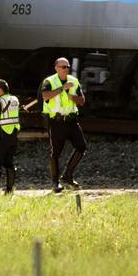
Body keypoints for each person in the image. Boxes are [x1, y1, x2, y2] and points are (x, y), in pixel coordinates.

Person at [42, 57, 86, 193]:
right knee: (55, 152)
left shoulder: (74, 81)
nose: (66, 69)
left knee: (81, 146)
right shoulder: (49, 81)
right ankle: (55, 183)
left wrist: (74, 98)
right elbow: (45, 96)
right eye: (63, 67)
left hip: (71, 120)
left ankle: (67, 176)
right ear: (56, 68)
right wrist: (62, 89)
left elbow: (82, 100)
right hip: (56, 121)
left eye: (67, 67)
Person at [0, 79, 20, 194]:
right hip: (13, 135)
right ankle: (10, 189)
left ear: (0, 90)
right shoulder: (15, 99)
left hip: (1, 135)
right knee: (9, 162)